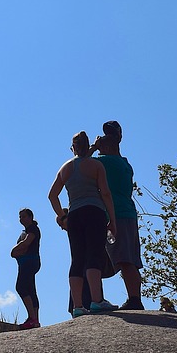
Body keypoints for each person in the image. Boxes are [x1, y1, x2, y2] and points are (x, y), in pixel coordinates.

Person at [49, 130, 118, 317]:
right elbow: (105, 193)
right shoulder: (96, 166)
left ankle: (78, 305)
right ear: (88, 146)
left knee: (77, 258)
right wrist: (112, 219)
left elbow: (52, 195)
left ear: (73, 148)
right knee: (94, 255)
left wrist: (62, 216)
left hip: (75, 214)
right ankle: (96, 301)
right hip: (94, 211)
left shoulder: (65, 168)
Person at [93, 120, 145, 310]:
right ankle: (135, 297)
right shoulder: (125, 164)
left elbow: (80, 162)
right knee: (128, 258)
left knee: (124, 259)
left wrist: (93, 146)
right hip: (128, 213)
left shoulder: (104, 162)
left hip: (116, 216)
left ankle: (134, 300)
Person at [11, 208, 41, 329]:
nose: (21, 219)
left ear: (30, 217)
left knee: (21, 287)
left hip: (30, 261)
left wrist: (14, 250)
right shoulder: (27, 230)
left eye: (23, 216)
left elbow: (27, 243)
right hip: (27, 262)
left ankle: (32, 318)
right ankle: (35, 319)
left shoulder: (33, 229)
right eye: (20, 216)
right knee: (30, 289)